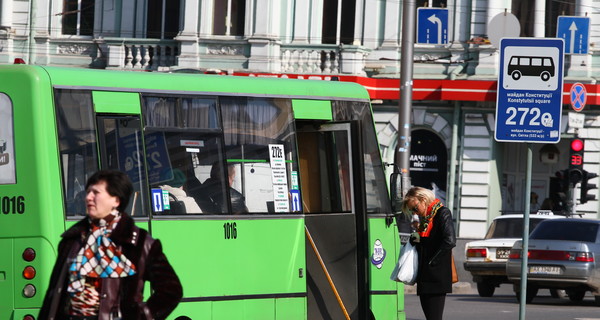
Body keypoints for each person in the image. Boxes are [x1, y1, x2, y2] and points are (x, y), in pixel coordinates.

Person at [40, 169, 183, 320]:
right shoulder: (73, 239)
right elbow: (53, 295)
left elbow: (171, 291)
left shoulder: (139, 242)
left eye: (96, 193)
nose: (88, 197)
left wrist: (141, 316)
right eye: (88, 192)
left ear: (116, 200)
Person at [403, 186, 456, 320]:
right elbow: (430, 242)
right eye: (412, 211)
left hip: (436, 276)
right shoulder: (427, 218)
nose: (415, 213)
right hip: (425, 276)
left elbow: (450, 241)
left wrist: (432, 261)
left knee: (434, 317)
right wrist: (418, 241)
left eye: (415, 208)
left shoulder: (442, 213)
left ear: (424, 200)